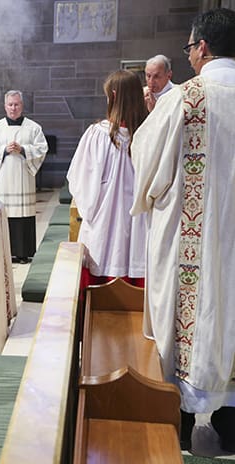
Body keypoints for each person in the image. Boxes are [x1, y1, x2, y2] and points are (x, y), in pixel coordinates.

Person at [130, 8, 235, 453]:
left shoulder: (186, 99)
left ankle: (187, 422)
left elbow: (146, 162)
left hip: (196, 246)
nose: (190, 56)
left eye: (189, 48)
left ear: (203, 47)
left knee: (198, 315)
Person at [67, 70, 147, 285]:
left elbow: (80, 180)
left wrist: (90, 212)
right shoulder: (149, 133)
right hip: (141, 223)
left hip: (105, 222)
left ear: (112, 95)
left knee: (103, 260)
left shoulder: (98, 134)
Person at [0, 90, 47, 263]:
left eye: (17, 104)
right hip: (3, 181)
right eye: (10, 104)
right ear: (5, 106)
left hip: (23, 179)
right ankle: (5, 253)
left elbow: (42, 149)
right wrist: (4, 149)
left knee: (23, 215)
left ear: (22, 106)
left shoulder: (33, 128)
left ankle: (23, 253)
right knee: (5, 215)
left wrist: (24, 149)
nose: (13, 108)